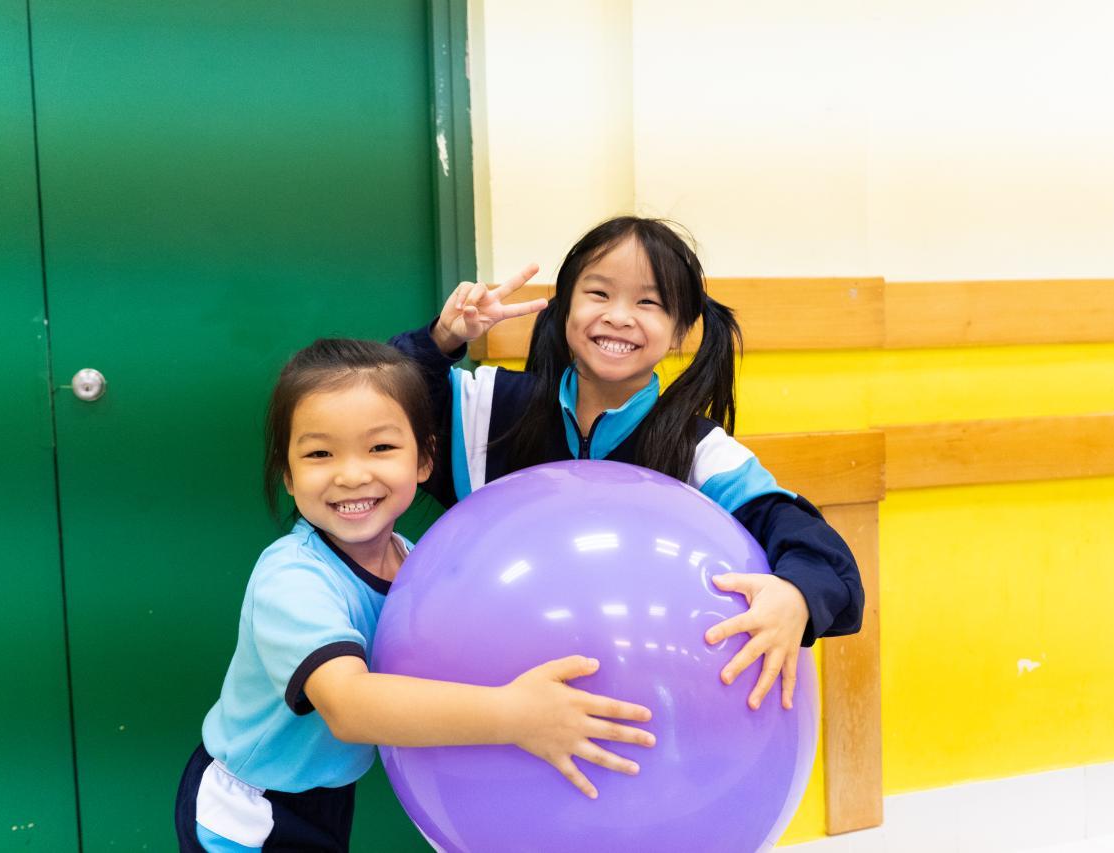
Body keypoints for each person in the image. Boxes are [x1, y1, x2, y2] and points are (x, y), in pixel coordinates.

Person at [175, 339, 654, 852]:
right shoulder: (293, 578)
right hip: (247, 811)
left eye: (380, 448)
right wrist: (516, 715)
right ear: (289, 476)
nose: (351, 475)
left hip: (322, 796)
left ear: (425, 459)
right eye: (319, 454)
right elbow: (348, 705)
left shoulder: (415, 561)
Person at [391, 216, 864, 713]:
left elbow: (818, 551)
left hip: (646, 715)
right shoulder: (486, 408)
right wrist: (441, 338)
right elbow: (373, 411)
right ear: (564, 307)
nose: (619, 317)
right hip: (489, 705)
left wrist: (795, 596)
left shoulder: (700, 453)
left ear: (680, 329)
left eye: (648, 302)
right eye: (598, 293)